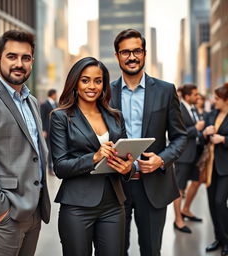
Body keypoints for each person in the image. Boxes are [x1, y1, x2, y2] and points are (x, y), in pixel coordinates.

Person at [0, 30, 51, 256]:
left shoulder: (32, 101)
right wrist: (0, 209)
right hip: (4, 217)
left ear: (32, 62)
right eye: (12, 56)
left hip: (33, 212)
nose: (19, 63)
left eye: (25, 58)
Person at [110, 28, 187, 256]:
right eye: (125, 52)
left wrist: (161, 160)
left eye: (136, 51)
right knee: (114, 251)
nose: (131, 57)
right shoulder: (105, 92)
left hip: (153, 184)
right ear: (117, 56)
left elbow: (180, 136)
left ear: (144, 54)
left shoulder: (165, 90)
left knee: (151, 251)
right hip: (115, 186)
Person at [50, 57, 134, 256]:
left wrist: (128, 168)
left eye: (98, 81)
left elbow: (124, 156)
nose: (92, 86)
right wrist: (94, 157)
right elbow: (60, 167)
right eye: (85, 80)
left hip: (113, 204)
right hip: (77, 207)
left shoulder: (115, 116)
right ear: (75, 83)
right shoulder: (61, 117)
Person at [173, 84, 205, 233]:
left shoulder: (193, 109)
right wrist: (196, 129)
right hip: (184, 155)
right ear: (187, 96)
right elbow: (178, 131)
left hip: (196, 154)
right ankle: (178, 220)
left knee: (197, 181)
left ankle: (186, 210)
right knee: (179, 188)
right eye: (195, 94)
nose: (197, 97)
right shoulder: (179, 108)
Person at [203, 83, 228, 256]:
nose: (214, 101)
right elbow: (204, 137)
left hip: (225, 167)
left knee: (220, 203)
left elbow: (222, 139)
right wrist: (205, 133)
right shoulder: (212, 114)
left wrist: (224, 140)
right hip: (210, 166)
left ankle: (227, 241)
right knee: (212, 204)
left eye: (217, 98)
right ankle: (218, 238)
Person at [40, 89, 58, 173]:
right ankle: (50, 167)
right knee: (49, 148)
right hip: (47, 130)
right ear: (52, 95)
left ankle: (53, 166)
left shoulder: (56, 104)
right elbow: (42, 117)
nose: (56, 96)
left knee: (54, 147)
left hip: (55, 129)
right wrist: (43, 130)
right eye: (55, 94)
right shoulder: (44, 105)